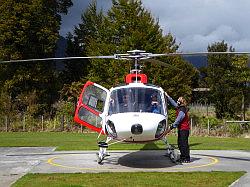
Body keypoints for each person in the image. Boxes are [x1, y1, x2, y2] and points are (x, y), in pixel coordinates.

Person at [165, 93, 190, 163]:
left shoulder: (182, 110)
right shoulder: (179, 107)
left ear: (181, 102)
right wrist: (167, 96)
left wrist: (171, 127)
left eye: (179, 100)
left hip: (184, 129)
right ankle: (182, 157)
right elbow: (173, 102)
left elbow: (178, 121)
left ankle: (186, 158)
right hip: (181, 129)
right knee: (180, 143)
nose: (177, 101)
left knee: (184, 144)